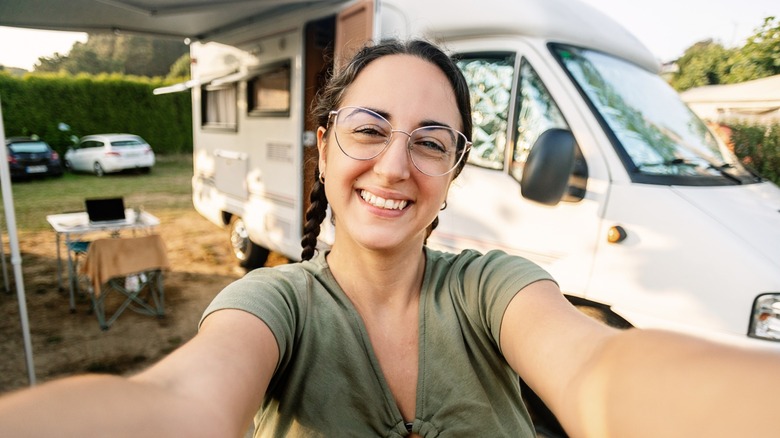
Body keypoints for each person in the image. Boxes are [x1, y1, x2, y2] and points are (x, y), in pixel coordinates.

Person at [0, 39, 778, 438]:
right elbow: (177, 404)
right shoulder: (273, 304)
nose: (396, 165)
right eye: (369, 129)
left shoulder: (491, 287)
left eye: (431, 142)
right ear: (325, 143)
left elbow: (600, 371)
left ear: (454, 170)